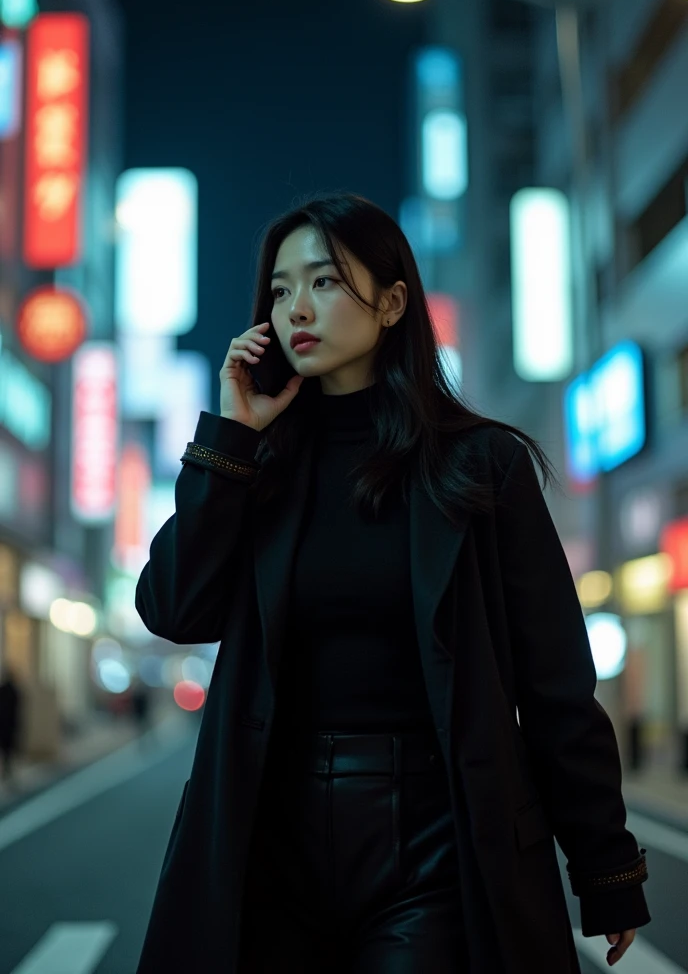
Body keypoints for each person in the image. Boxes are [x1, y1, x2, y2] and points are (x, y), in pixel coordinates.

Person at [134, 192, 650, 974]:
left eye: (325, 283)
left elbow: (555, 686)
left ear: (392, 302)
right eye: (279, 289)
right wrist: (230, 438)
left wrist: (605, 866)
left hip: (436, 837)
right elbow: (173, 608)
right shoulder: (257, 467)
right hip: (270, 833)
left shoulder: (482, 468)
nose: (295, 308)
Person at [0, 666, 22, 788]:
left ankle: (7, 771)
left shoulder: (3, 690)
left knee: (6, 749)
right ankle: (8, 771)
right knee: (9, 749)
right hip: (11, 724)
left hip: (3, 724)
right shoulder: (14, 690)